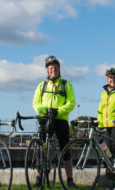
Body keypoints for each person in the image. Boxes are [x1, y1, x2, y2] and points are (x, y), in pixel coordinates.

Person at [33, 55, 77, 188]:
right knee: (42, 149)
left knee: (65, 149)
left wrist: (58, 110)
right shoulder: (42, 85)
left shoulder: (66, 84)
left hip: (61, 120)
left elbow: (71, 103)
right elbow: (35, 103)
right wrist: (45, 110)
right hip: (46, 119)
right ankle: (39, 178)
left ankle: (70, 180)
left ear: (59, 69)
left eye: (56, 68)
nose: (54, 70)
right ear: (47, 70)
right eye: (51, 68)